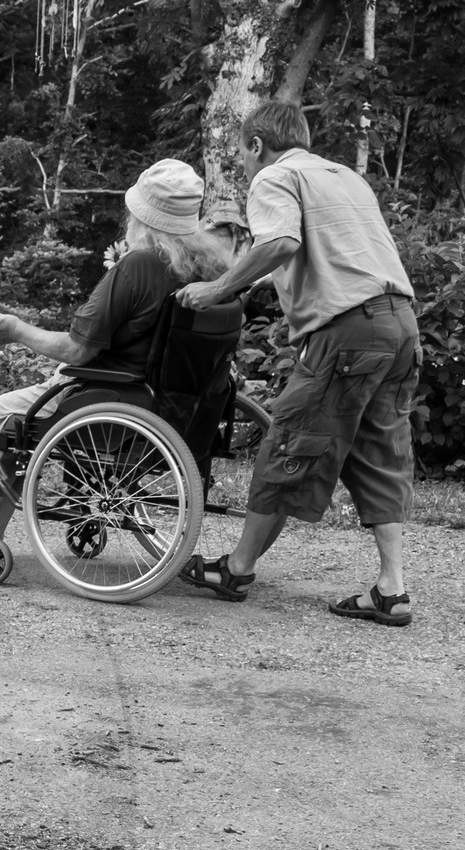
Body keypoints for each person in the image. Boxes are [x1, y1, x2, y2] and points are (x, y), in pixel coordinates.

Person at [0, 160, 233, 550]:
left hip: (116, 401)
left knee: (5, 412)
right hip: (182, 409)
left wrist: (16, 330)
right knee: (19, 409)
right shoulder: (212, 270)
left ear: (143, 217)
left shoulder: (139, 266)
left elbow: (77, 348)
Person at [175, 102, 419, 627]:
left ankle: (236, 569)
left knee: (290, 438)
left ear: (256, 145)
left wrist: (220, 286)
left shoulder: (274, 177)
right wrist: (263, 281)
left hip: (349, 332)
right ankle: (391, 589)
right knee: (380, 450)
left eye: (242, 153)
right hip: (400, 324)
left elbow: (282, 242)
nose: (244, 164)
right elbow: (339, 256)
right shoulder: (346, 178)